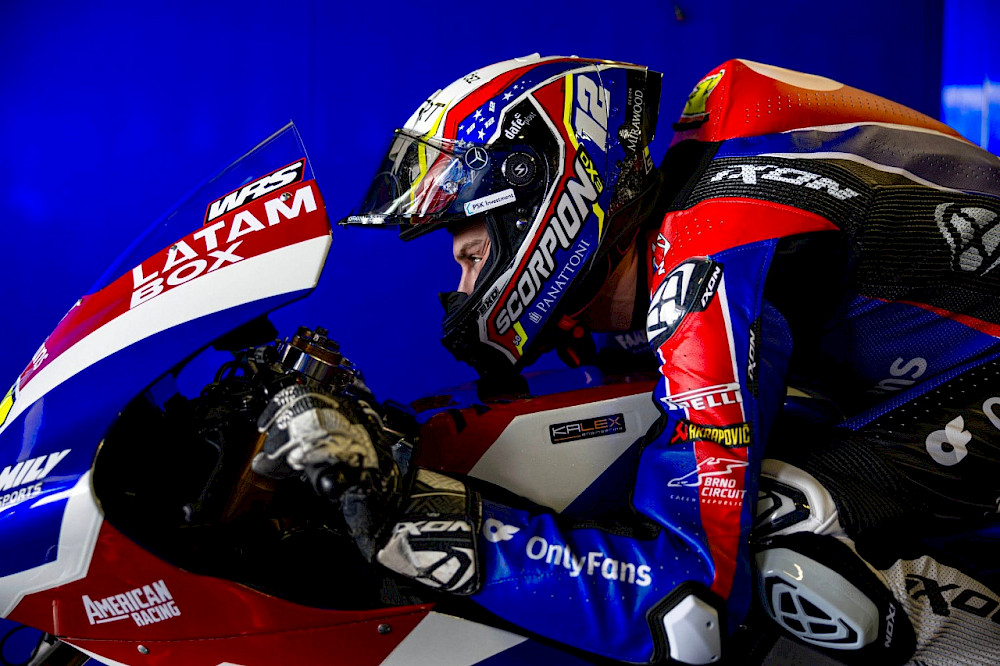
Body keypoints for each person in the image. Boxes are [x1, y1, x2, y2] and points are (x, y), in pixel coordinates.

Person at [253, 55, 1000, 664]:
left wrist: (407, 515)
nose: (466, 291)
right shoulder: (689, 211)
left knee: (783, 523)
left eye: (473, 256)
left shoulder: (707, 255)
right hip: (940, 381)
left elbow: (692, 615)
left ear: (547, 199)